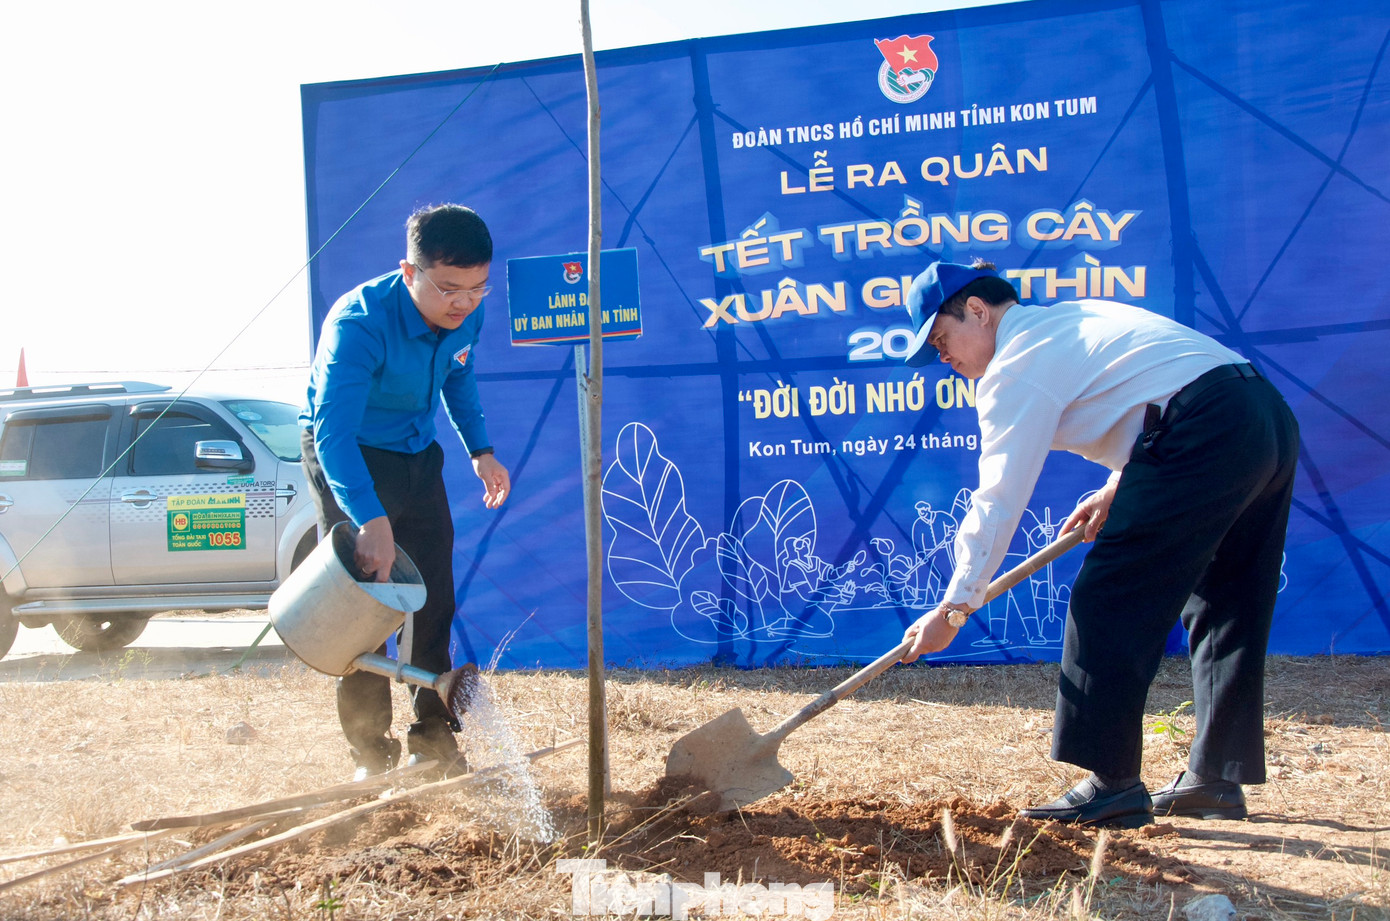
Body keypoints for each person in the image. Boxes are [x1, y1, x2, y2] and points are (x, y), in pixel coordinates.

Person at [897, 259, 1299, 827]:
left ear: (979, 311)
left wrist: (955, 607)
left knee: (1107, 597)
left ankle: (1112, 784)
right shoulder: (1070, 321)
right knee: (1227, 599)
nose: (943, 359)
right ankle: (1215, 777)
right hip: (1261, 416)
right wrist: (1118, 483)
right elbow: (1159, 386)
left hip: (1205, 427)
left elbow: (998, 501)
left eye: (942, 338)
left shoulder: (1014, 365)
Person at [299, 204, 511, 781]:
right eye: (448, 288)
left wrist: (480, 449)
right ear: (409, 271)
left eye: (477, 288)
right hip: (350, 455)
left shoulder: (467, 314)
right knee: (364, 604)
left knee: (432, 598)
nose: (463, 303)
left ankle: (433, 742)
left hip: (418, 454)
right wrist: (369, 517)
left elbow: (459, 376)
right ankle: (370, 754)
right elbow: (333, 434)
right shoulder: (357, 325)